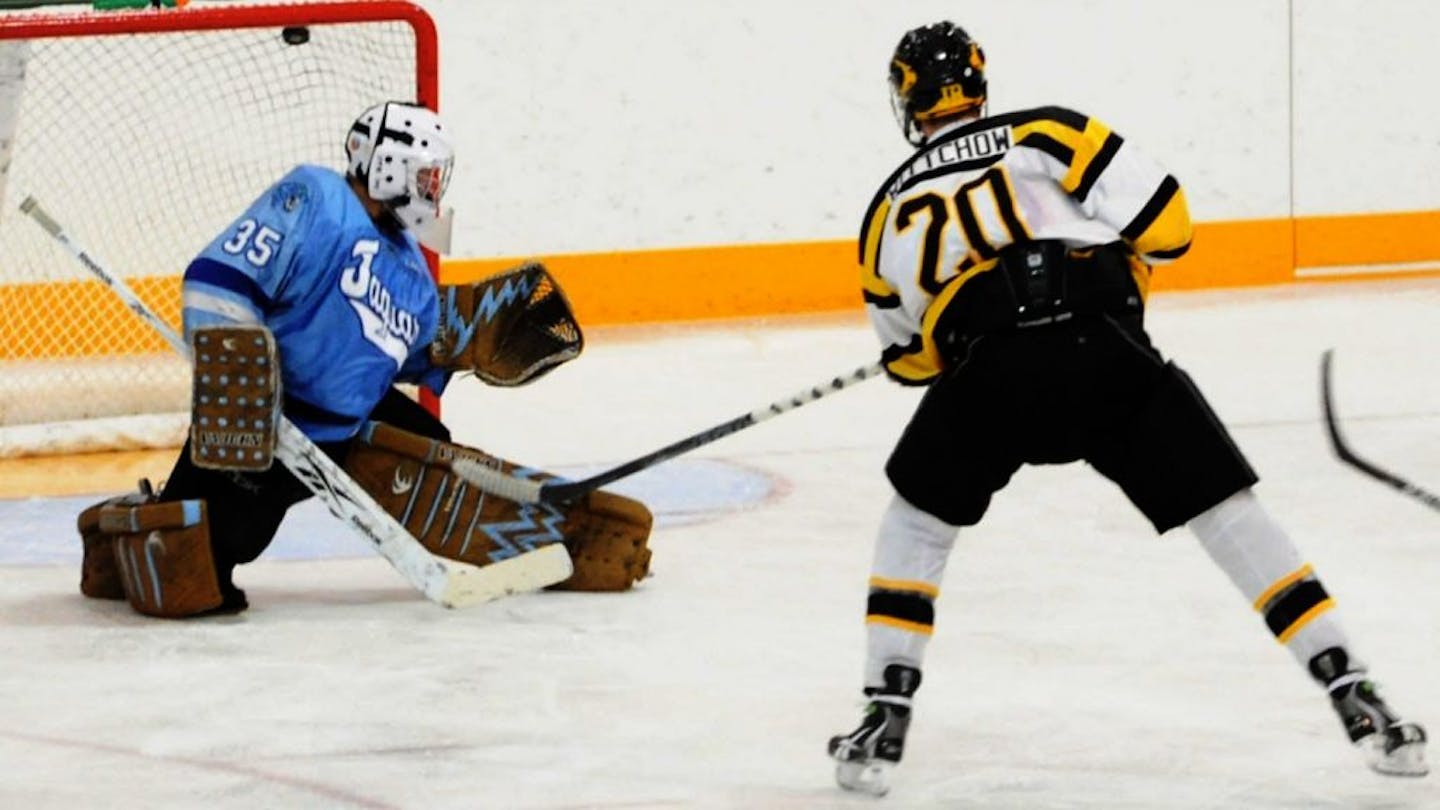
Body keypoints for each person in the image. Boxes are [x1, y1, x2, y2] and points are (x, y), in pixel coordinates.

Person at [826, 21, 1427, 794]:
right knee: (1228, 514)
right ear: (979, 83)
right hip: (1101, 351)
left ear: (907, 100)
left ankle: (884, 708)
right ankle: (1353, 688)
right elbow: (1171, 228)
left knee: (917, 519)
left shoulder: (888, 208)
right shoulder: (1046, 132)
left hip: (992, 379)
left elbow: (913, 360)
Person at [75, 101, 652, 618]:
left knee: (436, 457)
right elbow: (217, 278)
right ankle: (117, 537)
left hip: (348, 425)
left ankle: (563, 537)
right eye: (426, 175)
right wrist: (237, 376)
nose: (433, 189)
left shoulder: (409, 267)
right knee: (195, 567)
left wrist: (473, 341)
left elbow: (407, 352)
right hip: (268, 422)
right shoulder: (315, 199)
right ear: (388, 166)